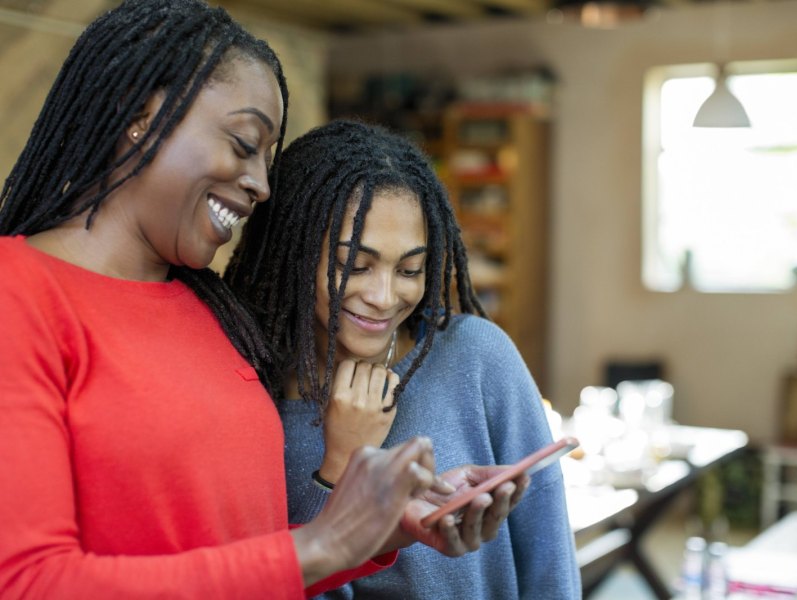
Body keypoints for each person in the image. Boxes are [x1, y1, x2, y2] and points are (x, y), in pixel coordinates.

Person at [0, 3, 523, 598]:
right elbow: (28, 583)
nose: (262, 184)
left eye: (267, 159)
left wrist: (387, 527)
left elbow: (255, 557)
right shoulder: (18, 294)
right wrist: (325, 543)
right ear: (138, 116)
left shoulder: (212, 313)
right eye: (245, 144)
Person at [226, 119, 582, 599]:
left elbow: (550, 563)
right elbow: (282, 584)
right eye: (356, 265)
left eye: (410, 268)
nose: (384, 295)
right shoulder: (250, 392)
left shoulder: (476, 357)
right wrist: (341, 465)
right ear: (294, 249)